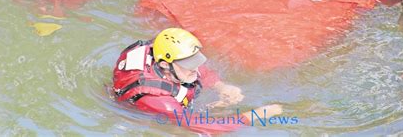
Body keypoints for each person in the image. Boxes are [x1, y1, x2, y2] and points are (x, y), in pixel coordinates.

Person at [112, 28, 282, 133]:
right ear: (164, 64)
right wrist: (258, 115)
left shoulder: (167, 59)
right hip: (145, 116)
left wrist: (221, 86)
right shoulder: (158, 100)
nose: (195, 68)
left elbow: (196, 69)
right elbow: (209, 126)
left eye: (195, 60)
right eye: (188, 63)